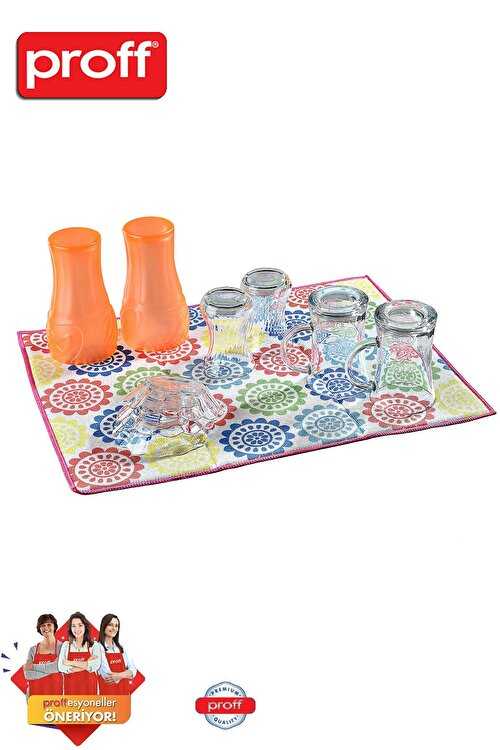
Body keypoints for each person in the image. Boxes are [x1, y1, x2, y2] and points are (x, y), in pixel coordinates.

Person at [58, 612, 101, 694]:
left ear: (85, 627)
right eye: (73, 626)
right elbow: (61, 667)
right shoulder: (66, 645)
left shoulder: (94, 645)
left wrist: (70, 662)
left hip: (90, 690)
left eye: (80, 625)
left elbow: (95, 665)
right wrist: (87, 663)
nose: (76, 629)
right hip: (70, 690)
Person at [24, 614, 63, 695]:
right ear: (39, 628)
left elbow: (59, 667)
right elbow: (28, 675)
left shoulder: (62, 647)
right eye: (43, 625)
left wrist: (33, 667)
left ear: (54, 626)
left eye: (49, 624)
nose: (46, 628)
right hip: (35, 696)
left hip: (55, 697)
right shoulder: (33, 649)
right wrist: (52, 668)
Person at [97, 614, 137, 695]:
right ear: (104, 626)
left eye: (116, 626)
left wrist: (119, 676)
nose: (114, 628)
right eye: (110, 625)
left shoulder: (121, 648)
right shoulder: (98, 648)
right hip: (108, 697)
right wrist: (126, 674)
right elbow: (107, 676)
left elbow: (133, 670)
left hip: (124, 694)